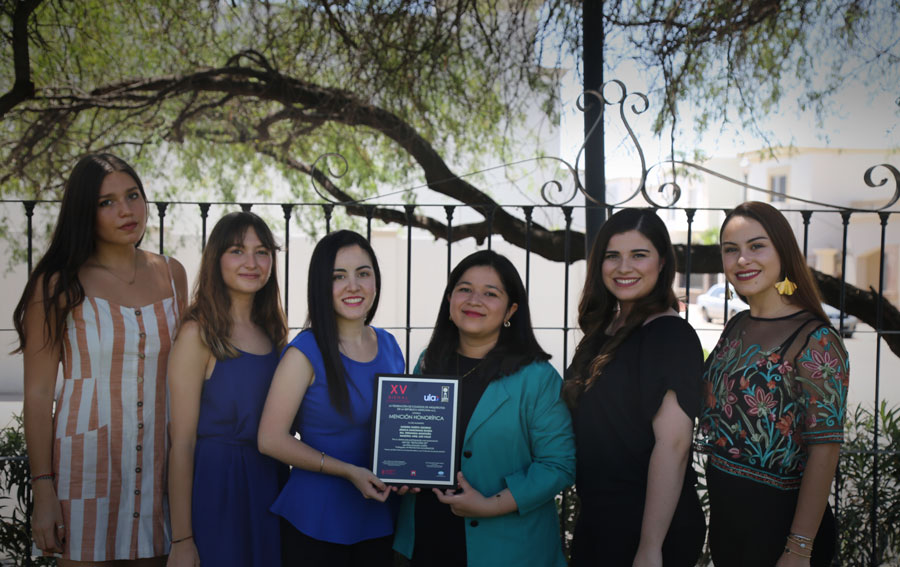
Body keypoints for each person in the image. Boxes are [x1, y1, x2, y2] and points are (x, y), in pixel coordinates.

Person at [13, 154, 187, 565]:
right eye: (106, 202)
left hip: (161, 471)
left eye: (133, 196)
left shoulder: (173, 274)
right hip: (87, 470)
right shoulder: (57, 284)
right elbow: (38, 396)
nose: (126, 210)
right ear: (83, 212)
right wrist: (43, 490)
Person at [393, 250, 576, 567]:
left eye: (490, 293)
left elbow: (559, 465)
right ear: (450, 300)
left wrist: (490, 505)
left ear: (511, 309)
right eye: (464, 289)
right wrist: (403, 470)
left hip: (507, 548)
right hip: (427, 539)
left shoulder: (538, 378)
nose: (474, 300)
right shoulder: (428, 361)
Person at [697, 201, 849, 567]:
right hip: (728, 521)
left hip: (782, 529)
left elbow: (825, 450)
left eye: (756, 246)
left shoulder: (816, 339)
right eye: (731, 250)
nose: (742, 260)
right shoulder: (736, 325)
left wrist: (798, 548)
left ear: (783, 251)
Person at [563, 208, 706, 566]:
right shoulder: (603, 331)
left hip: (647, 528)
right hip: (599, 518)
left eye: (639, 255)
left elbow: (672, 445)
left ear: (661, 263)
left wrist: (650, 546)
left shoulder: (670, 335)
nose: (624, 267)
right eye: (613, 256)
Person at [257, 229, 405, 567]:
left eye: (362, 273)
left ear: (375, 281)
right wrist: (349, 471)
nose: (353, 286)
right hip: (317, 520)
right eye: (339, 276)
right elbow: (270, 439)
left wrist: (410, 473)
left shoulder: (391, 347)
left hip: (379, 515)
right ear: (322, 286)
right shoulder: (305, 351)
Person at [166, 212, 289, 567]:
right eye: (237, 250)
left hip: (269, 485)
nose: (252, 262)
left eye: (262, 251)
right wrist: (182, 539)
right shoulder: (198, 333)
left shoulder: (273, 332)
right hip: (217, 491)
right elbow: (182, 443)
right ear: (216, 259)